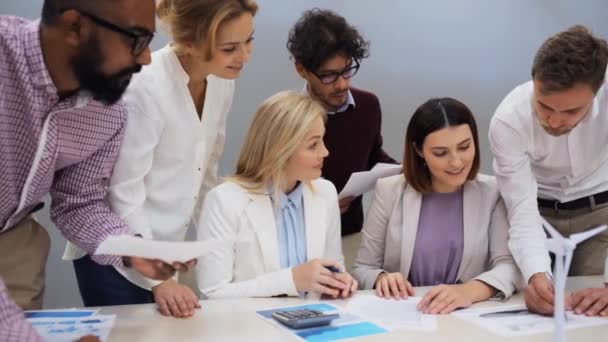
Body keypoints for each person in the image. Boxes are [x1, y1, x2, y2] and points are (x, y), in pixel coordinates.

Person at [0, 0, 192, 340]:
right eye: (137, 40)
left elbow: (79, 202)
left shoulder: (107, 110)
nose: (147, 58)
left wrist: (131, 249)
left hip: (13, 238)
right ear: (75, 26)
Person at [62, 0, 257, 318]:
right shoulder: (145, 86)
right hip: (118, 252)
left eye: (249, 41)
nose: (245, 56)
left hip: (165, 250)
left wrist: (224, 245)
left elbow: (205, 171)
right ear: (191, 43)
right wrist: (158, 278)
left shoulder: (222, 82)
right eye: (230, 48)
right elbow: (124, 190)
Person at [353, 98, 521, 314]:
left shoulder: (492, 192)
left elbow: (509, 267)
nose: (456, 162)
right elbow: (362, 268)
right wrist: (381, 279)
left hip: (465, 315)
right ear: (419, 151)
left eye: (464, 147)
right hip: (408, 313)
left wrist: (467, 292)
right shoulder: (389, 190)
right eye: (441, 153)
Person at [489, 25, 608, 317]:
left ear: (597, 91)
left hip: (600, 217)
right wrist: (536, 274)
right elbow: (520, 207)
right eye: (544, 106)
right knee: (536, 305)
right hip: (537, 218)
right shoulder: (509, 120)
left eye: (570, 112)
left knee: (593, 313)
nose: (554, 121)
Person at [197, 91, 358, 298]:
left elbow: (334, 267)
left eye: (322, 141)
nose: (325, 152)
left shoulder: (325, 193)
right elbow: (213, 292)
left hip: (315, 323)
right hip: (251, 327)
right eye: (313, 145)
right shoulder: (224, 200)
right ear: (280, 149)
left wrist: (339, 282)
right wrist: (291, 280)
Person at [286, 9, 396, 269]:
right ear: (302, 70)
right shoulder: (287, 117)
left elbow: (372, 155)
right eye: (329, 75)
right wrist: (322, 204)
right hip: (297, 239)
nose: (342, 84)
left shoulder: (368, 105)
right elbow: (267, 187)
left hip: (349, 233)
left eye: (347, 71)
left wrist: (409, 170)